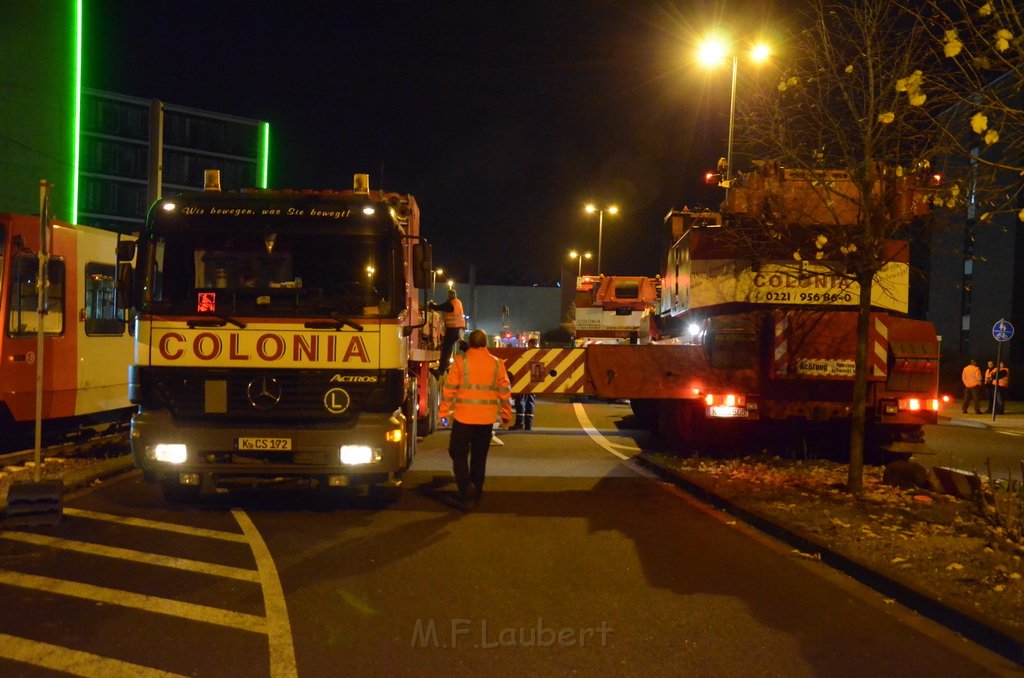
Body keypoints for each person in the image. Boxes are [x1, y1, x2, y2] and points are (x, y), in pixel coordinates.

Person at [438, 329, 513, 510]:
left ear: (470, 343)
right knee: (479, 458)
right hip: (486, 419)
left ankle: (466, 489)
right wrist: (506, 414)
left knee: (458, 453)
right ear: (485, 344)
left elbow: (449, 390)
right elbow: (505, 390)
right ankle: (476, 494)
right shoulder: (497, 364)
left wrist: (443, 414)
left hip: (464, 418)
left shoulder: (460, 362)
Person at [428, 288, 466, 374]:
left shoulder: (451, 304)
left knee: (446, 349)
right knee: (450, 348)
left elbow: (440, 307)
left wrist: (432, 305)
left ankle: (441, 370)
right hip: (459, 328)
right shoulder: (458, 302)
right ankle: (446, 367)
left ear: (450, 295)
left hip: (453, 329)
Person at [511, 337, 538, 430]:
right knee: (530, 403)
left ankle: (519, 423)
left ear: (529, 344)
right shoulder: (539, 354)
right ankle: (528, 425)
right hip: (533, 382)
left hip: (522, 382)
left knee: (520, 402)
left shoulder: (525, 354)